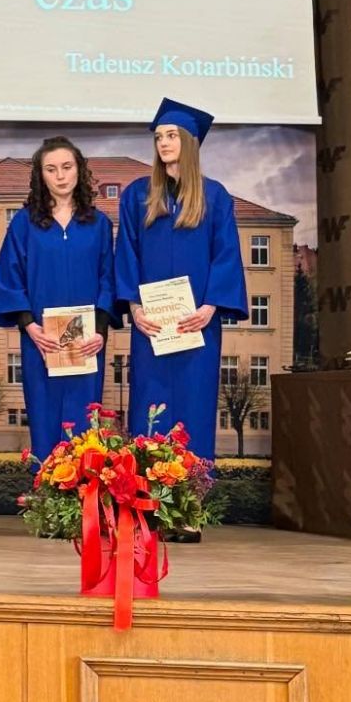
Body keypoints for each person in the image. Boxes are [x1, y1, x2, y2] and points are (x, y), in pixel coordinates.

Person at [114, 98, 248, 464]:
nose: (163, 143)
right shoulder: (138, 195)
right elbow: (127, 253)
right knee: (149, 408)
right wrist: (135, 309)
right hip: (151, 327)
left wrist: (209, 308)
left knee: (195, 405)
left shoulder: (215, 196)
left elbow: (226, 255)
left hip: (198, 325)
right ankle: (144, 493)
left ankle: (193, 493)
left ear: (190, 141)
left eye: (171, 135)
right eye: (159, 137)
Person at [0, 137, 115, 462]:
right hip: (42, 340)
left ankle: (84, 489)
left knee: (84, 424)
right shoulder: (24, 223)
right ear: (40, 175)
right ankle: (45, 488)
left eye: (67, 167)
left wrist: (100, 331)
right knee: (44, 419)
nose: (60, 176)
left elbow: (108, 278)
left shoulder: (98, 224)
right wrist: (30, 327)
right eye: (51, 169)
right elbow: (9, 277)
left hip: (87, 342)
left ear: (79, 170)